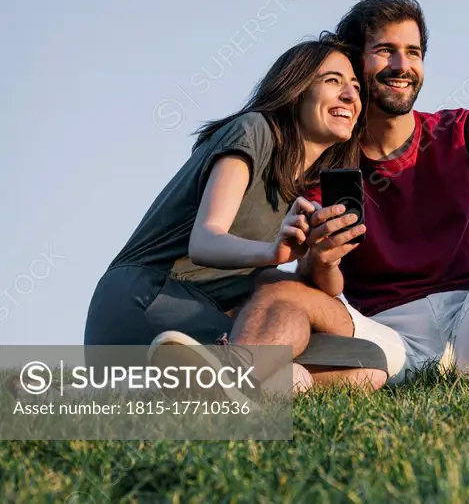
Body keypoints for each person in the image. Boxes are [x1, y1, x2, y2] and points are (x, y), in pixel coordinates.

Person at [236, 0, 469, 388]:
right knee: (277, 292)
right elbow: (318, 282)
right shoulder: (327, 165)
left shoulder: (459, 132)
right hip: (388, 336)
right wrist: (322, 259)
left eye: (413, 52)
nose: (402, 65)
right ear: (354, 62)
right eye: (385, 50)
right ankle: (238, 391)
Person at [83, 34, 388, 393]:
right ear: (295, 89)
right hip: (146, 301)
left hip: (205, 322)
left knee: (367, 363)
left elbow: (316, 291)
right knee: (286, 307)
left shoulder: (298, 187)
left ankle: (226, 384)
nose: (351, 96)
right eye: (333, 81)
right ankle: (239, 376)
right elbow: (205, 239)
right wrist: (273, 253)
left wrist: (324, 260)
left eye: (355, 86)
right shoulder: (255, 131)